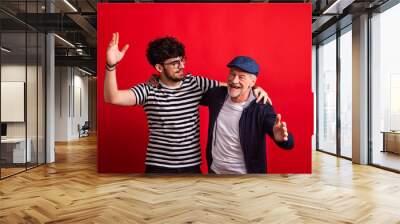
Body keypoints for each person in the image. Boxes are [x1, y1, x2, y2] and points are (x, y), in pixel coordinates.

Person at [104, 33, 271, 174]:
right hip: (158, 167)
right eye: (175, 63)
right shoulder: (148, 90)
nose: (182, 65)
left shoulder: (195, 83)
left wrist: (254, 87)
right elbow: (113, 98)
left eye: (182, 60)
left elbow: (231, 87)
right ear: (159, 67)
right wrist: (111, 66)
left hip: (191, 167)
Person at [200, 56, 294, 174]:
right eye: (232, 74)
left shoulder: (261, 107)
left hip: (245, 177)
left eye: (241, 77)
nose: (234, 80)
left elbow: (289, 144)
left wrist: (282, 138)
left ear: (252, 82)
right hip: (215, 171)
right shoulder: (217, 95)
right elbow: (190, 90)